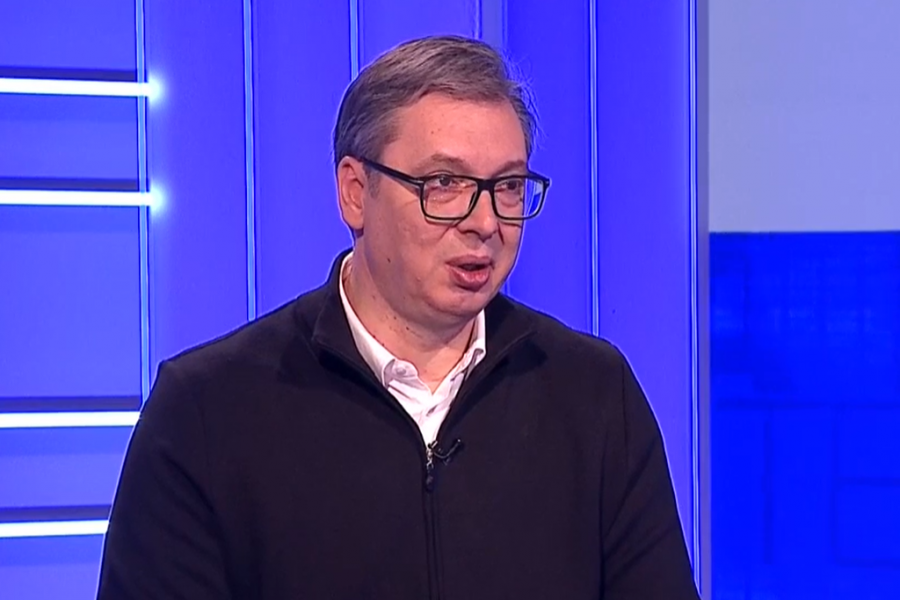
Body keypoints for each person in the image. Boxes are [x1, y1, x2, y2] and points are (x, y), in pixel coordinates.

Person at [96, 35, 699, 600]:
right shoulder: (207, 410)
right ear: (355, 193)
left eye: (509, 186)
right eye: (445, 182)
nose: (485, 222)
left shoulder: (593, 393)